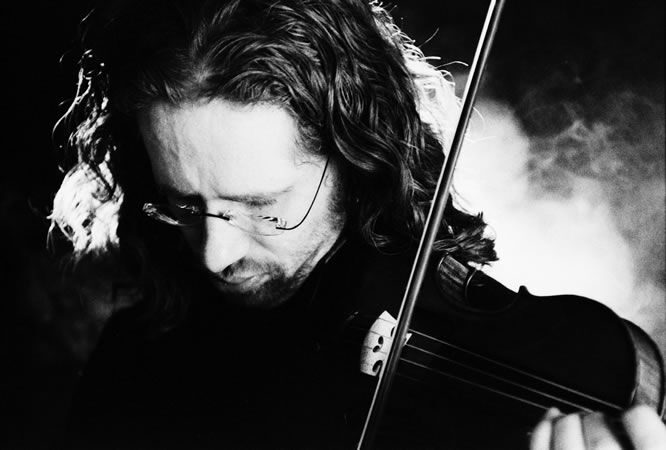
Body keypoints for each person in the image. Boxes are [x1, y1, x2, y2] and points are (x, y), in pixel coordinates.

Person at [49, 0, 666, 448]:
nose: (214, 254)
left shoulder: (556, 363)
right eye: (183, 205)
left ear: (361, 161)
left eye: (264, 207)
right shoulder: (137, 357)